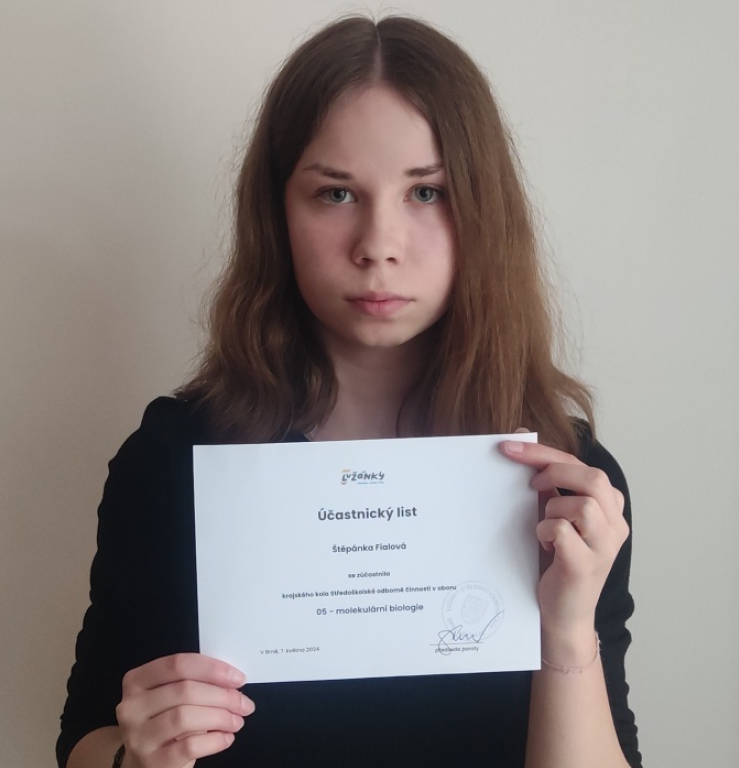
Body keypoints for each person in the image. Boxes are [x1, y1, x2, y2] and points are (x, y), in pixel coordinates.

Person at [58, 14, 641, 768]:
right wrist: (136, 755)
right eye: (336, 194)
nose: (378, 245)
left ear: (484, 211)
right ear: (277, 213)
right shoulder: (173, 459)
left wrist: (566, 636)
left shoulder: (566, 489)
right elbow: (84, 735)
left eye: (427, 192)